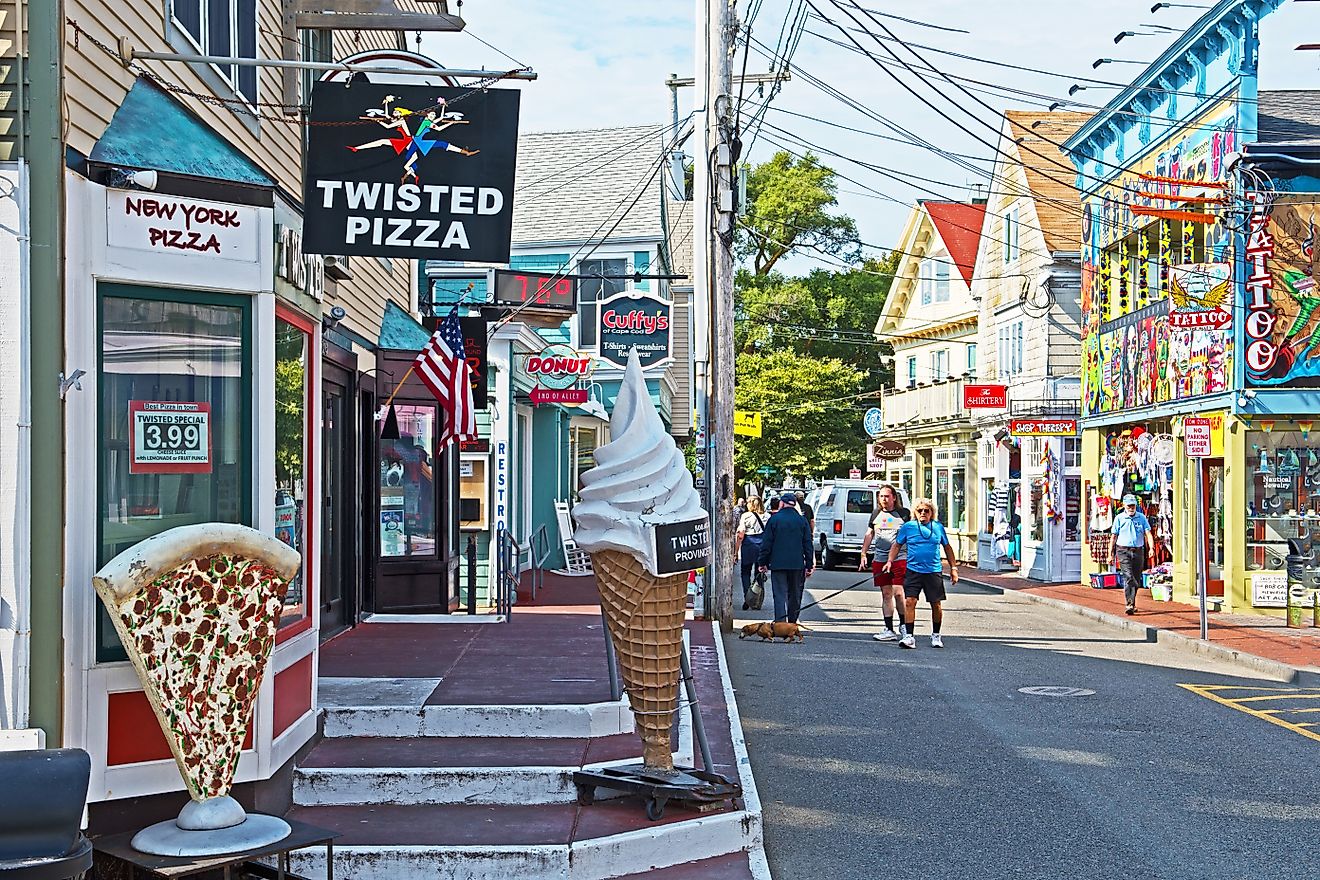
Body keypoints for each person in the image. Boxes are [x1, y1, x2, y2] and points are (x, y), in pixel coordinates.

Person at [886, 498, 958, 649]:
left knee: (936, 604)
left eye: (927, 510)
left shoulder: (937, 527)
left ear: (932, 513)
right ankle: (909, 636)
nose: (923, 513)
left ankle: (936, 635)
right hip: (913, 571)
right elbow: (897, 545)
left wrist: (953, 568)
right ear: (915, 513)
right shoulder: (908, 527)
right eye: (920, 511)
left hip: (933, 571)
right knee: (909, 601)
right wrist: (890, 562)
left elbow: (947, 548)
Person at [858, 484, 910, 641]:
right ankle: (889, 628)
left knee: (899, 592)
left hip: (900, 558)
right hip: (880, 558)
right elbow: (869, 533)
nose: (884, 499)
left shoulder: (904, 514)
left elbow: (911, 533)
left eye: (887, 496)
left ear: (894, 497)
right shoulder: (876, 514)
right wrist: (863, 553)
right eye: (881, 496)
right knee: (886, 593)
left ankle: (905, 626)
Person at [757, 493, 815, 624]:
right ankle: (792, 622)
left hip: (778, 563)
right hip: (797, 563)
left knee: (779, 594)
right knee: (795, 594)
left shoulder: (774, 519)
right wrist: (809, 564)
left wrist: (762, 562)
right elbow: (808, 544)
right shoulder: (802, 521)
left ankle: (780, 622)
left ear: (782, 504)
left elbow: (767, 543)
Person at [1108, 493, 1154, 615]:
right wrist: (1110, 554)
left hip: (1138, 550)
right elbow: (1113, 536)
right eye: (1129, 506)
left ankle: (1131, 602)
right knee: (1128, 576)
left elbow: (1148, 533)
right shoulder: (1119, 518)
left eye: (1133, 506)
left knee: (1136, 578)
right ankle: (1129, 604)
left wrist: (1151, 548)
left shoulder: (1142, 518)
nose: (1131, 508)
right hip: (1123, 550)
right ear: (1124, 506)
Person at [736, 497, 768, 610]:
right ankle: (757, 600)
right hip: (762, 545)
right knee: (759, 573)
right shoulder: (767, 516)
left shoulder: (745, 516)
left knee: (745, 572)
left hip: (748, 544)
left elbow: (741, 534)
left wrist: (736, 551)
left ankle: (747, 597)